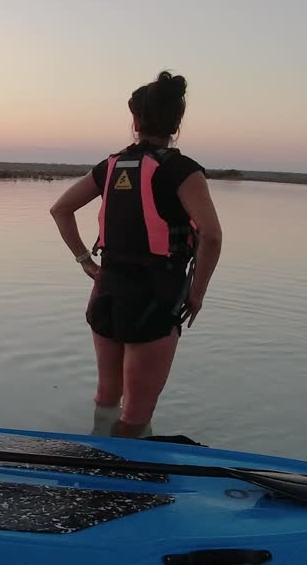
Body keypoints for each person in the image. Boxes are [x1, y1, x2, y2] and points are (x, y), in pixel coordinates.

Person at [49, 71, 223, 438]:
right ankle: (123, 486)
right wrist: (198, 294)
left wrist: (85, 261)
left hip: (107, 290)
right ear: (176, 123)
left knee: (107, 396)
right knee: (137, 412)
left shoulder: (110, 167)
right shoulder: (182, 171)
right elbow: (211, 235)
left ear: (136, 121)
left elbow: (60, 210)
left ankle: (97, 466)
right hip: (155, 296)